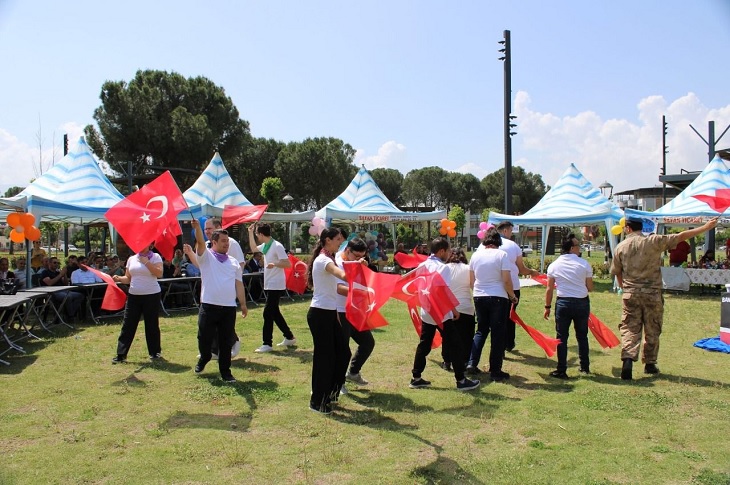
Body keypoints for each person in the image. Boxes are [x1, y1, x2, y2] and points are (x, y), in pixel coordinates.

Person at [611, 216, 718, 380]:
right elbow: (681, 236)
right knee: (652, 328)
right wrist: (705, 227)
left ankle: (627, 360)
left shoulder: (621, 246)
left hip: (631, 292)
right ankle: (650, 363)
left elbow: (617, 271)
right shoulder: (654, 241)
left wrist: (625, 287)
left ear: (627, 228)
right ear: (641, 228)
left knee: (630, 327)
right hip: (652, 292)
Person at [409, 238, 480, 391]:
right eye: (448, 251)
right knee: (456, 345)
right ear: (441, 251)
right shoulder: (443, 268)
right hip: (440, 312)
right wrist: (453, 309)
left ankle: (416, 377)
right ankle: (461, 380)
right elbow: (443, 291)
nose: (449, 254)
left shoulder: (423, 264)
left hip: (427, 310)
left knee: (424, 344)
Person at [188, 219, 248, 383]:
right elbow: (200, 242)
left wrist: (242, 304)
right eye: (223, 241)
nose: (226, 244)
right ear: (213, 242)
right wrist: (197, 229)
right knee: (204, 338)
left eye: (227, 241)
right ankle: (205, 357)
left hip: (228, 308)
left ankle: (225, 372)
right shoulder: (206, 257)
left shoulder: (233, 262)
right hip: (209, 306)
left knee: (225, 342)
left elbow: (238, 284)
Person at [306, 227, 351, 414]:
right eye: (338, 239)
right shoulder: (323, 260)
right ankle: (317, 401)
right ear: (327, 240)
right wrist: (359, 270)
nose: (340, 242)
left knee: (343, 352)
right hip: (319, 314)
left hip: (329, 313)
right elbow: (343, 276)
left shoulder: (329, 259)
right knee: (325, 358)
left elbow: (338, 287)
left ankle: (331, 392)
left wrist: (361, 293)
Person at [467, 228, 517, 382]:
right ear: (498, 242)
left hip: (479, 296)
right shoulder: (502, 255)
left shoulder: (475, 255)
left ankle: (471, 362)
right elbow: (506, 280)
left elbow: (471, 281)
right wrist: (512, 296)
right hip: (498, 297)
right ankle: (495, 370)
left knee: (481, 330)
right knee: (497, 333)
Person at [543, 233, 593, 379]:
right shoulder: (584, 264)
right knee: (582, 336)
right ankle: (584, 367)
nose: (580, 248)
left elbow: (549, 288)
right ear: (572, 248)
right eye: (578, 245)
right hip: (581, 302)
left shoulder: (554, 265)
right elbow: (590, 287)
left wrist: (547, 307)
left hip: (563, 302)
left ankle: (561, 369)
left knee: (561, 337)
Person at [111, 243, 164, 363]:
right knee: (128, 325)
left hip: (151, 295)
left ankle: (155, 352)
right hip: (134, 295)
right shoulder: (131, 259)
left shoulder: (155, 257)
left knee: (151, 325)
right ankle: (121, 354)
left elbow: (159, 274)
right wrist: (119, 278)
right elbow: (128, 278)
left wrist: (146, 262)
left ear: (149, 244)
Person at [247, 222, 296, 352]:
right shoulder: (266, 245)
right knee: (275, 313)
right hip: (270, 283)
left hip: (276, 284)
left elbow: (287, 264)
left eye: (257, 234)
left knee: (267, 313)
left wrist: (274, 264)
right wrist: (250, 233)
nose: (257, 236)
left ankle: (267, 343)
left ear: (262, 234)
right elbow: (253, 249)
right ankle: (289, 336)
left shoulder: (277, 246)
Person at [335, 234, 374, 388]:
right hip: (340, 310)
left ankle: (353, 372)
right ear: (348, 250)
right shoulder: (337, 263)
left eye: (362, 256)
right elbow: (338, 288)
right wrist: (360, 292)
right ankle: (339, 382)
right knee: (343, 349)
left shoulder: (357, 262)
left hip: (355, 309)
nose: (359, 259)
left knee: (368, 342)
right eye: (356, 256)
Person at [496, 221, 540, 352]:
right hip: (512, 285)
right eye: (510, 230)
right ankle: (509, 342)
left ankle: (500, 344)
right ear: (505, 231)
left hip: (496, 286)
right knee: (511, 315)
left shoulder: (486, 245)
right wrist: (532, 272)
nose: (511, 233)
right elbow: (521, 268)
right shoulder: (512, 246)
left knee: (498, 317)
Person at [439, 248, 475, 372]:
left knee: (447, 336)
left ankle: (447, 361)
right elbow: (473, 285)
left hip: (449, 307)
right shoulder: (467, 268)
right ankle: (465, 360)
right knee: (466, 336)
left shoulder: (445, 268)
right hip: (465, 307)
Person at [39, 256, 85, 322]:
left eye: (58, 263)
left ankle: (70, 314)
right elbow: (49, 283)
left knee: (80, 295)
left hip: (63, 290)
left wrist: (64, 274)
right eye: (55, 263)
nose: (56, 264)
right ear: (49, 263)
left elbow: (65, 284)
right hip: (52, 292)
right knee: (68, 297)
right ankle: (70, 316)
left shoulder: (58, 272)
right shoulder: (45, 272)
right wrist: (60, 275)